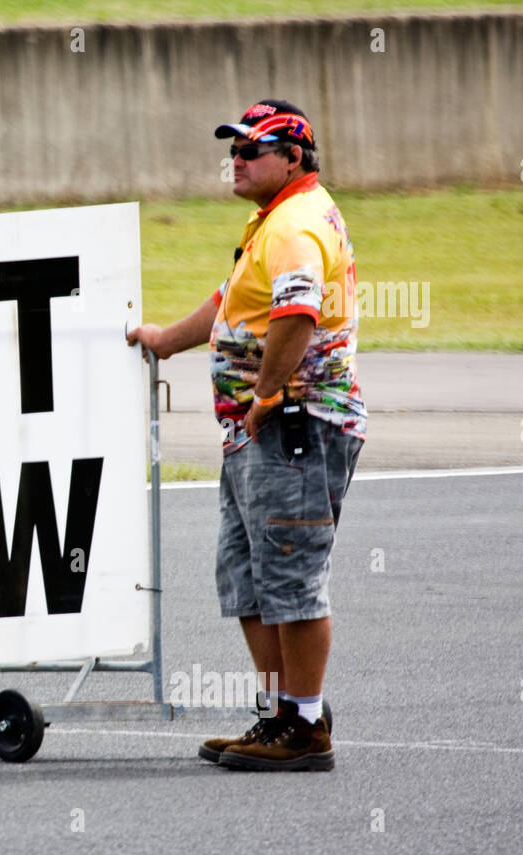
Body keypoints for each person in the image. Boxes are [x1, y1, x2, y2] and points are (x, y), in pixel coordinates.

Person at [127, 99, 366, 771]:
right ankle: (282, 716)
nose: (236, 158)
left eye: (251, 148)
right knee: (248, 579)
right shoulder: (273, 221)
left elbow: (295, 314)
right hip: (259, 434)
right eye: (233, 148)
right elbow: (233, 302)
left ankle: (305, 725)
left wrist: (263, 395)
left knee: (291, 579)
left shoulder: (292, 226)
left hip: (295, 429)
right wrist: (163, 341)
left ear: (294, 157)